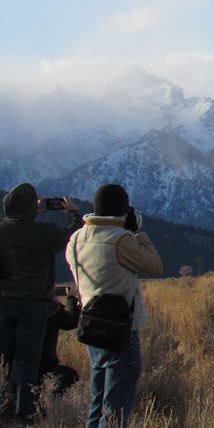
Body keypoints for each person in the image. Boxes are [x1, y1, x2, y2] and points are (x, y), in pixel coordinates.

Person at [66, 184, 162, 428]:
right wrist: (138, 233)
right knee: (115, 410)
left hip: (91, 327)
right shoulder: (121, 240)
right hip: (120, 329)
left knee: (97, 403)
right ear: (123, 211)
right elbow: (154, 265)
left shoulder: (76, 239)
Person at [0, 183, 82, 422]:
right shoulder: (42, 233)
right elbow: (72, 235)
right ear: (29, 207)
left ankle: (6, 405)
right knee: (27, 360)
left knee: (8, 358)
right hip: (33, 306)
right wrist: (73, 213)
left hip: (3, 304)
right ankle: (23, 414)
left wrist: (28, 211)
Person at [39, 288, 81, 394]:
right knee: (71, 375)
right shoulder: (51, 310)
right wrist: (72, 298)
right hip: (46, 367)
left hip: (20, 367)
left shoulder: (20, 308)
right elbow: (72, 322)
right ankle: (50, 401)